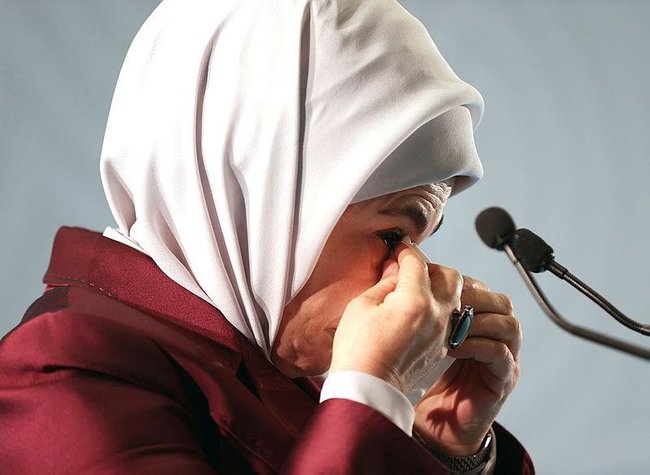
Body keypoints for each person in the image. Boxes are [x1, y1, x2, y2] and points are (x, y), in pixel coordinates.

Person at [0, 1, 534, 473]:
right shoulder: (66, 366)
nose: (408, 281)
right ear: (260, 195)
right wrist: (372, 396)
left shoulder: (281, 366)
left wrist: (440, 450)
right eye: (393, 235)